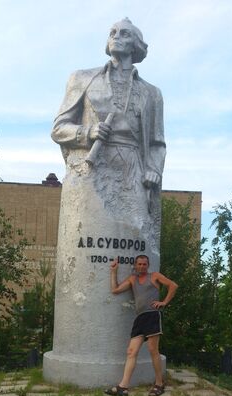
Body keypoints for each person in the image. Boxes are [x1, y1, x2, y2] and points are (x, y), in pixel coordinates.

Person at [51, 17, 166, 249]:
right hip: (93, 168)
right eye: (112, 32)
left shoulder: (152, 93)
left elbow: (157, 143)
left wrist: (153, 170)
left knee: (136, 239)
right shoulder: (82, 79)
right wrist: (88, 131)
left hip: (133, 171)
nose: (116, 36)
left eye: (124, 33)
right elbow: (59, 129)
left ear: (135, 45)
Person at [105, 255, 178, 396]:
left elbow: (173, 285)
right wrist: (114, 271)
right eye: (139, 264)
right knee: (131, 352)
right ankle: (123, 387)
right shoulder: (133, 279)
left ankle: (159, 384)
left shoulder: (154, 276)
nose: (142, 266)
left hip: (152, 315)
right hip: (140, 318)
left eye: (144, 264)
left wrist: (164, 302)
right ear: (135, 265)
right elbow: (115, 290)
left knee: (153, 350)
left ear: (148, 265)